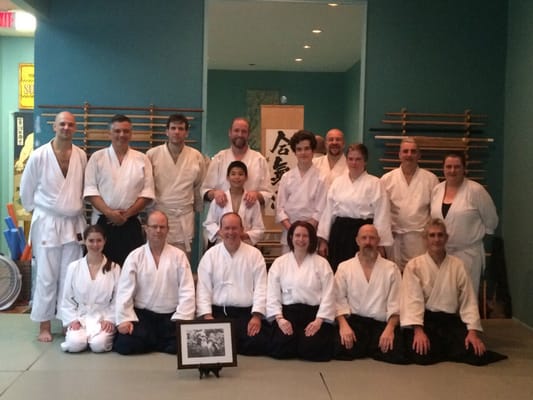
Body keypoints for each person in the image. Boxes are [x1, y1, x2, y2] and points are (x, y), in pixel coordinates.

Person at [400, 218, 507, 366]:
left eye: (440, 235)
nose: (436, 239)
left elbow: (468, 300)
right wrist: (418, 331)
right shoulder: (414, 266)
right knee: (420, 354)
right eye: (432, 235)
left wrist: (472, 332)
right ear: (425, 239)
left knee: (475, 353)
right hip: (425, 321)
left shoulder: (458, 265)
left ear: (446, 238)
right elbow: (412, 300)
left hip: (449, 321)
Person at [20, 111, 87, 342]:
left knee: (70, 275)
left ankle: (69, 322)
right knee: (46, 277)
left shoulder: (81, 156)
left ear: (75, 128)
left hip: (72, 222)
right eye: (62, 124)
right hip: (48, 221)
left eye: (70, 124)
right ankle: (44, 325)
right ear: (54, 126)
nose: (66, 128)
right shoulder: (38, 156)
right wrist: (39, 212)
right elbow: (26, 192)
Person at [113, 211, 195, 355]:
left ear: (168, 230)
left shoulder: (178, 256)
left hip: (170, 316)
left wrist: (182, 318)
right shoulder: (135, 256)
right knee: (125, 345)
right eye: (154, 226)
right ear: (146, 229)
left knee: (183, 346)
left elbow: (187, 290)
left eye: (162, 227)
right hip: (143, 316)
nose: (158, 230)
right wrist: (124, 319)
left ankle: (152, 341)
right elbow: (124, 291)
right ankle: (157, 342)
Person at [84, 114, 155, 266]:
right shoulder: (97, 158)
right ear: (109, 133)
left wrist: (126, 214)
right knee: (102, 267)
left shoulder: (142, 159)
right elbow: (90, 191)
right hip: (103, 221)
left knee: (132, 268)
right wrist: (110, 213)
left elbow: (147, 193)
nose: (121, 135)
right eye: (117, 131)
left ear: (131, 133)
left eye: (126, 131)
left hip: (130, 221)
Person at [196, 212, 269, 356]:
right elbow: (203, 289)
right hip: (218, 313)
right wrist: (207, 316)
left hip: (246, 313)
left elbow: (261, 287)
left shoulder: (254, 255)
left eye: (234, 228)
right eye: (227, 228)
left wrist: (257, 316)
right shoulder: (210, 255)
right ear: (220, 231)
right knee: (212, 348)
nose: (231, 232)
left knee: (257, 343)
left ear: (242, 230)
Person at [334, 225, 407, 364]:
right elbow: (338, 299)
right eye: (364, 238)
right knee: (339, 347)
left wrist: (390, 328)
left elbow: (396, 302)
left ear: (378, 241)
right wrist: (343, 325)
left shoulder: (391, 268)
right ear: (357, 241)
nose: (368, 242)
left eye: (372, 238)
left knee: (396, 351)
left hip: (381, 324)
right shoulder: (345, 267)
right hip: (354, 323)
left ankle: (370, 346)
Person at [430, 152, 498, 296]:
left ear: (464, 169)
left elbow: (491, 221)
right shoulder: (437, 190)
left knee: (467, 297)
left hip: (468, 254)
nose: (452, 171)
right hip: (442, 253)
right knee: (444, 298)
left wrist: (473, 236)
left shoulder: (476, 190)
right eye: (448, 167)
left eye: (457, 167)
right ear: (443, 168)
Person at [317, 143, 393, 272]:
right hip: (339, 233)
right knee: (339, 271)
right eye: (351, 159)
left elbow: (382, 214)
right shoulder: (338, 182)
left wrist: (380, 243)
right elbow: (328, 211)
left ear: (365, 161)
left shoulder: (375, 183)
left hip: (364, 233)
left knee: (362, 271)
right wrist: (323, 239)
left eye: (358, 159)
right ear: (346, 160)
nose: (354, 163)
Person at [267, 221, 335, 361]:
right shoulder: (280, 262)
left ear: (311, 239)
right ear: (291, 237)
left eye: (305, 236)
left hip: (313, 314)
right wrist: (280, 319)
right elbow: (272, 294)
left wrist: (319, 320)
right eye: (297, 235)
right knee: (281, 348)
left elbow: (329, 294)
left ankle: (303, 341)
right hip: (288, 314)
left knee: (311, 349)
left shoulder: (322, 263)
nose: (301, 239)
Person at [146, 113, 206, 257]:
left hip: (183, 215)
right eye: (173, 128)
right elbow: (146, 186)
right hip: (159, 212)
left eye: (181, 128)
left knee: (181, 259)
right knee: (156, 256)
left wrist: (198, 207)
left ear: (186, 132)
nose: (177, 132)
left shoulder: (196, 156)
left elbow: (200, 185)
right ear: (166, 131)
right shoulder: (152, 154)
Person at [60, 225, 120, 353]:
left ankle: (97, 337)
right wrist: (72, 319)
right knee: (74, 345)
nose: (95, 244)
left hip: (102, 317)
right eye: (91, 241)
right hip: (81, 317)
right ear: (85, 241)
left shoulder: (114, 268)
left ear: (105, 241)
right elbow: (66, 298)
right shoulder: (74, 267)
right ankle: (81, 337)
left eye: (99, 240)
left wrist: (110, 319)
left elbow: (118, 298)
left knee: (99, 346)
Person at [381, 138, 439, 270]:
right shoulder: (387, 179)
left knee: (418, 274)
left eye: (413, 152)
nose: (409, 155)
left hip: (419, 238)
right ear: (399, 154)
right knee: (395, 276)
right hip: (394, 237)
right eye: (405, 151)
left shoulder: (431, 179)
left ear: (419, 155)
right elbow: (381, 212)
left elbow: (435, 212)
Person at [201, 117, 272, 208]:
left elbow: (268, 193)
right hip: (223, 216)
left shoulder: (259, 160)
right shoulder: (219, 158)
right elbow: (205, 190)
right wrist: (215, 193)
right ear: (230, 133)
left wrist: (256, 195)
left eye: (244, 131)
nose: (240, 134)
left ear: (248, 134)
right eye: (236, 130)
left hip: (249, 215)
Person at [276, 130, 327, 253]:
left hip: (310, 232)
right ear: (294, 152)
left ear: (313, 150)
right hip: (289, 231)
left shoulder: (321, 178)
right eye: (299, 149)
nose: (303, 153)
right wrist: (292, 230)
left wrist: (305, 230)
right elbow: (279, 209)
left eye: (306, 148)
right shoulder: (286, 177)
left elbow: (320, 210)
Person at [203, 161, 265, 246]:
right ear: (227, 177)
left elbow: (259, 229)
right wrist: (224, 234)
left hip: (245, 245)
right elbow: (209, 223)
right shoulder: (218, 199)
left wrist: (243, 235)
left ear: (246, 177)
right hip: (222, 244)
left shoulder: (252, 201)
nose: (237, 177)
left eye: (240, 174)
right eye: (233, 174)